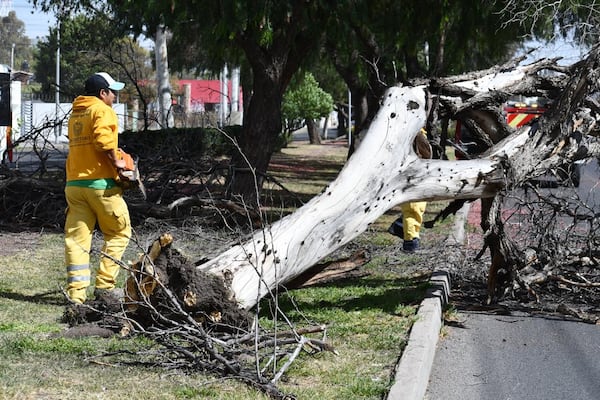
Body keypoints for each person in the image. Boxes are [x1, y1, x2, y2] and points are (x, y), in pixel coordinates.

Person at [64, 72, 131, 304]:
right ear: (103, 93)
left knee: (77, 240)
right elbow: (103, 140)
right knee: (119, 233)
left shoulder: (76, 114)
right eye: (113, 92)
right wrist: (118, 162)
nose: (115, 97)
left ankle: (76, 295)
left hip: (74, 185)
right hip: (101, 186)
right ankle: (104, 289)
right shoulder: (102, 109)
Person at [388, 128, 431, 252]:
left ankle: (400, 227)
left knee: (416, 209)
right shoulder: (410, 136)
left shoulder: (417, 134)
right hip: (411, 178)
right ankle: (410, 243)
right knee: (413, 210)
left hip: (415, 177)